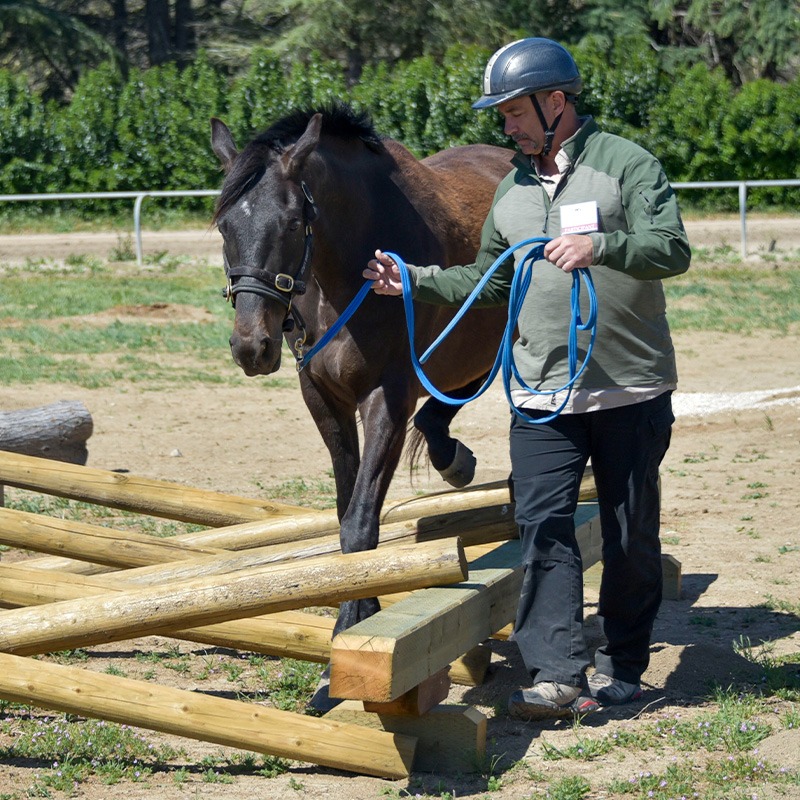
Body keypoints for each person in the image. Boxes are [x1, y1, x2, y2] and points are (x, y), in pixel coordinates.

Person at [363, 37, 691, 721]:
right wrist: (414, 281)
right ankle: (555, 673)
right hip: (542, 391)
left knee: (630, 533)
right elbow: (489, 282)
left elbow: (672, 249)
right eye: (503, 114)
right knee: (542, 527)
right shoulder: (511, 189)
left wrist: (604, 245)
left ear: (556, 102)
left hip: (628, 386)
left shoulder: (627, 164)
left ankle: (624, 665)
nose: (504, 127)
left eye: (514, 112)